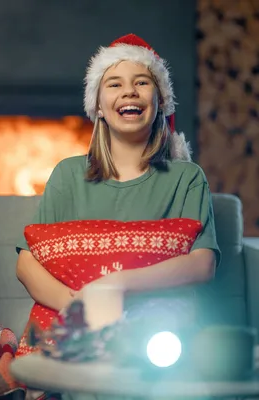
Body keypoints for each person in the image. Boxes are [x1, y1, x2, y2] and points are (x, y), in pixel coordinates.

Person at [15, 34, 220, 357]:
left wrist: (115, 284)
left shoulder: (187, 178)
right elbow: (27, 262)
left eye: (142, 82)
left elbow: (202, 264)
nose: (129, 91)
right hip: (77, 325)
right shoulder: (68, 175)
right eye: (114, 84)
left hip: (158, 333)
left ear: (161, 102)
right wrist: (80, 305)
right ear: (97, 106)